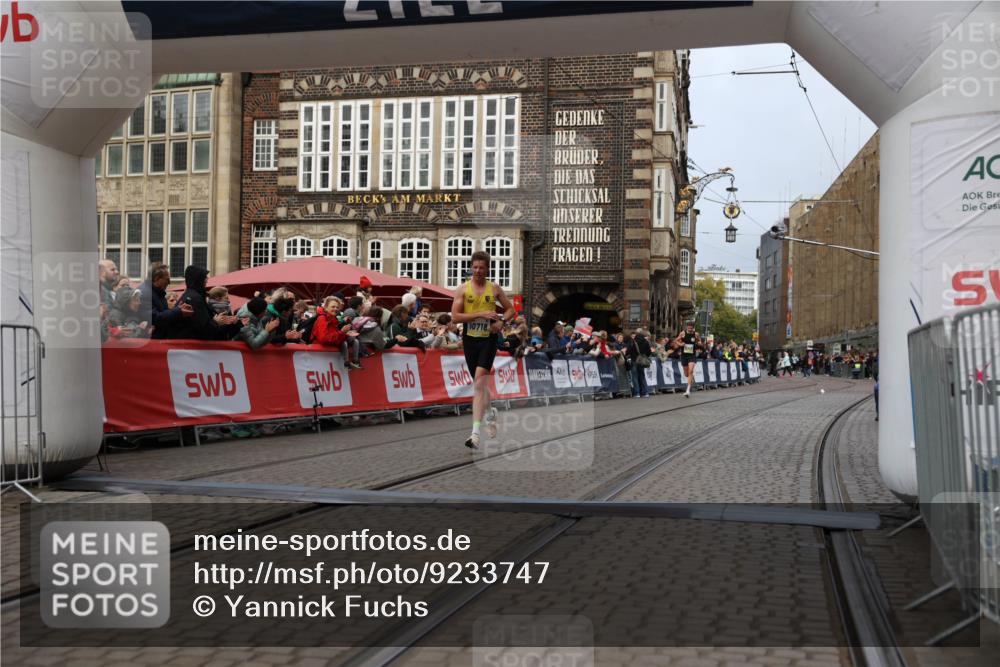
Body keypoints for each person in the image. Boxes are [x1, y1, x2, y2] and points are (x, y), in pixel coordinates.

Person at [451, 250, 515, 449]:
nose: (478, 271)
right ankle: (490, 413)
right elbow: (455, 317)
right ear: (471, 268)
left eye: (482, 267)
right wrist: (480, 313)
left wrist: (501, 322)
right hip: (470, 340)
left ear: (487, 269)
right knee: (480, 385)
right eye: (475, 267)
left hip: (488, 339)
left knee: (478, 384)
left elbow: (511, 309)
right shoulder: (463, 289)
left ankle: (475, 435)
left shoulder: (494, 288)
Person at [170, 265, 240, 340]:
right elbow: (204, 329)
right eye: (205, 277)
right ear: (198, 279)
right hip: (193, 347)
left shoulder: (190, 295)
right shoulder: (195, 298)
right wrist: (216, 322)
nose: (207, 280)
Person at [673, 322, 703, 397]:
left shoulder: (696, 334)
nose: (690, 329)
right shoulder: (682, 333)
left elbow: (700, 341)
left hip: (692, 355)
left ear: (693, 328)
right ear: (687, 327)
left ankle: (688, 390)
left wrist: (699, 343)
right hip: (684, 355)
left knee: (691, 370)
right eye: (688, 327)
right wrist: (680, 344)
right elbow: (675, 340)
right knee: (686, 373)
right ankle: (691, 378)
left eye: (691, 328)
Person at [626, 329, 653, 398]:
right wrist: (644, 355)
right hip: (642, 361)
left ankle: (637, 393)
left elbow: (628, 351)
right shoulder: (645, 342)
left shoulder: (633, 341)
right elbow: (649, 352)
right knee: (642, 376)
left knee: (635, 377)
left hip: (634, 360)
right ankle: (645, 392)